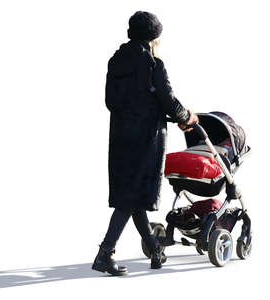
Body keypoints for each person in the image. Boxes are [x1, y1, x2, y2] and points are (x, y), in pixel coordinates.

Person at [92, 11, 198, 276]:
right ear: (152, 37)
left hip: (120, 137)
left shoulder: (116, 62)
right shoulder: (153, 65)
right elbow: (168, 101)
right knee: (130, 198)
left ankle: (155, 248)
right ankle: (105, 253)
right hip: (146, 140)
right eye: (158, 38)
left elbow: (110, 102)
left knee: (133, 195)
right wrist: (187, 117)